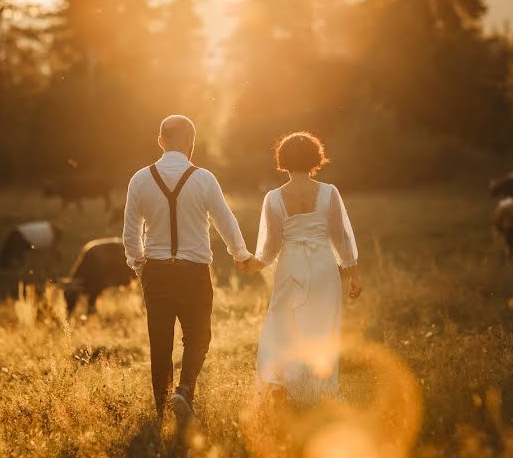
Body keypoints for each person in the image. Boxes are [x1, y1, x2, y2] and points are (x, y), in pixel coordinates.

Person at [123, 115, 253, 426]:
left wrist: (139, 264)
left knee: (160, 341)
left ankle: (159, 411)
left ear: (160, 141)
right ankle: (184, 391)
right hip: (194, 272)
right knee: (198, 337)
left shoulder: (140, 179)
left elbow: (130, 231)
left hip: (156, 271)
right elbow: (225, 220)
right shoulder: (204, 178)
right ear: (191, 143)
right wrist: (241, 254)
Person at [238, 131, 361, 405]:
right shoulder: (329, 193)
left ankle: (285, 384)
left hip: (290, 266)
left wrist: (253, 265)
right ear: (316, 157)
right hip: (324, 268)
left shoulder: (274, 198)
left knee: (283, 324)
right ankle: (317, 390)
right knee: (322, 326)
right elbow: (341, 238)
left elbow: (271, 245)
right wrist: (353, 275)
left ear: (282, 159)